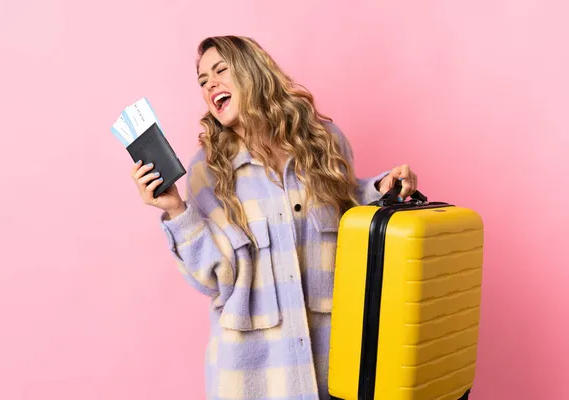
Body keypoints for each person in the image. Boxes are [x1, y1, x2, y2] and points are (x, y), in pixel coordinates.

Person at [131, 35, 418, 400]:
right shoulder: (207, 172)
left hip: (333, 363)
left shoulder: (324, 142)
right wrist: (175, 210)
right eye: (203, 81)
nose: (210, 85)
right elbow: (211, 279)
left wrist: (384, 188)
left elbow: (347, 211)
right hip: (254, 377)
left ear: (253, 72)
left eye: (221, 70)